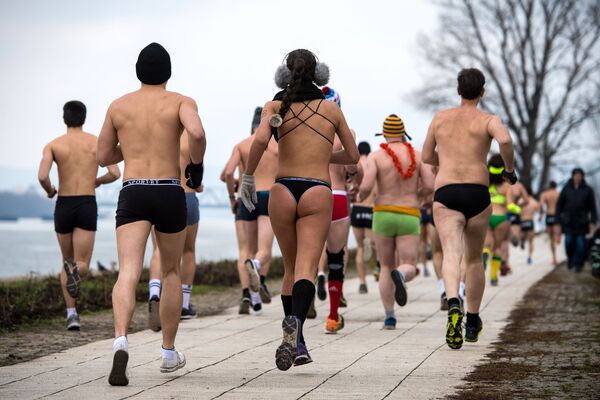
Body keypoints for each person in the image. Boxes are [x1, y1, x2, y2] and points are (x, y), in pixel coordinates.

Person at [241, 49, 359, 370]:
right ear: (319, 74)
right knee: (308, 266)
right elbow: (352, 156)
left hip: (282, 188)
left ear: (285, 73)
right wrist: (323, 156)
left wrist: (248, 177)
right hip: (316, 190)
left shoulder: (275, 105)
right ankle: (295, 325)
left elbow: (261, 140)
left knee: (290, 267)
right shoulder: (330, 109)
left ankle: (299, 343)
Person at [97, 43, 206, 385]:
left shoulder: (118, 106)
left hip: (133, 190)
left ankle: (120, 341)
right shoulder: (180, 102)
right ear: (168, 72)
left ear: (138, 71)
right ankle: (169, 353)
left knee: (128, 270)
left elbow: (103, 155)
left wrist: (128, 146)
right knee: (170, 271)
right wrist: (197, 167)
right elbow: (198, 134)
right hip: (169, 188)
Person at [422, 68, 517, 350]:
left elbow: (427, 156)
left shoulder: (440, 118)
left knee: (451, 252)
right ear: (482, 92)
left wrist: (448, 159)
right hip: (477, 192)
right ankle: (473, 319)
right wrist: (509, 170)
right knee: (474, 260)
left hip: (447, 190)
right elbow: (506, 141)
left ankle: (454, 303)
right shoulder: (488, 119)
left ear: (458, 90)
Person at [38, 101, 121, 331]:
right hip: (86, 202)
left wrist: (50, 191)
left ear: (65, 118)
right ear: (83, 118)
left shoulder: (53, 145)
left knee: (66, 262)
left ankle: (71, 314)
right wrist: (97, 181)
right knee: (81, 263)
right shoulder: (95, 143)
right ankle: (77, 272)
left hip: (63, 203)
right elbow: (115, 172)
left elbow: (42, 176)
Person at [360, 114, 434, 329]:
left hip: (383, 213)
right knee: (409, 263)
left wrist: (358, 194)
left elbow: (366, 185)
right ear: (403, 134)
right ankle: (401, 275)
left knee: (385, 266)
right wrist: (420, 197)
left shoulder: (376, 156)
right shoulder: (417, 156)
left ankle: (390, 317)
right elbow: (430, 185)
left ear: (384, 134)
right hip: (409, 213)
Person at [147, 133, 204, 332]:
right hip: (187, 196)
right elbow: (196, 179)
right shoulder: (191, 140)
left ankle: (154, 293)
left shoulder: (157, 136)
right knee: (188, 251)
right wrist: (198, 185)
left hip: (162, 192)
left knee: (158, 250)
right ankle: (184, 305)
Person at [223, 107, 277, 314]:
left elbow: (228, 172)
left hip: (246, 195)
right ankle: (257, 271)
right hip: (269, 196)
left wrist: (231, 198)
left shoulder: (242, 145)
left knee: (245, 249)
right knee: (264, 249)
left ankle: (250, 295)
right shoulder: (276, 146)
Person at [319, 86, 361, 334]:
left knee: (307, 255)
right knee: (337, 256)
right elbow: (355, 164)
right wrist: (354, 178)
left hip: (312, 191)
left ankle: (296, 315)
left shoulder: (309, 130)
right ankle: (333, 316)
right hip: (337, 195)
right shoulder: (347, 132)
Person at [484, 154, 517, 286]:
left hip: (487, 216)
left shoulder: (486, 183)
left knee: (486, 244)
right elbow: (510, 205)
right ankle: (493, 276)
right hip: (502, 218)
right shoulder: (507, 186)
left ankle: (484, 254)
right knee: (497, 247)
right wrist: (516, 209)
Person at [556, 168, 597, 272]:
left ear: (582, 177)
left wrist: (593, 221)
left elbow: (593, 207)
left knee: (580, 245)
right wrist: (558, 219)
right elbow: (559, 205)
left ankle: (578, 264)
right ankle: (570, 259)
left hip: (582, 223)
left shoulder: (588, 190)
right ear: (572, 176)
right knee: (568, 242)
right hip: (568, 222)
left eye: (580, 175)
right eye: (576, 175)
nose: (578, 177)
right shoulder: (566, 189)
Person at [351, 141, 376, 294]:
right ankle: (375, 264)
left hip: (357, 208)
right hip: (371, 208)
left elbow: (352, 187)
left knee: (360, 248)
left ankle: (362, 282)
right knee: (373, 245)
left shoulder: (356, 165)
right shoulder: (372, 164)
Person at [539, 181, 562, 265]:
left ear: (549, 186)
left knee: (551, 238)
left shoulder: (545, 194)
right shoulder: (559, 194)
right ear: (556, 186)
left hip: (549, 216)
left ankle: (554, 258)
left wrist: (540, 215)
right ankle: (558, 237)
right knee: (557, 235)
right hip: (557, 216)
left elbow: (541, 204)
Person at [520, 187, 540, 265]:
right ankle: (529, 257)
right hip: (530, 221)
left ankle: (522, 239)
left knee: (523, 235)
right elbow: (539, 213)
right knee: (531, 241)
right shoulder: (534, 202)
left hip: (522, 221)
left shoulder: (521, 201)